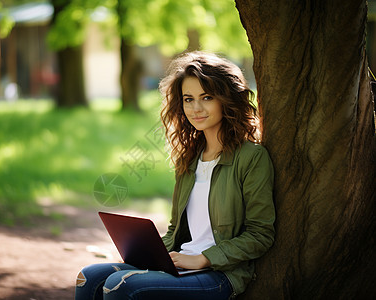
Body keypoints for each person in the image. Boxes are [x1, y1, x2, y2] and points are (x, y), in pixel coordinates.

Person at [75, 51, 275, 300]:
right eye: (188, 99)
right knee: (89, 277)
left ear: (227, 99)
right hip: (181, 263)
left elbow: (260, 234)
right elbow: (175, 229)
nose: (196, 108)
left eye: (207, 97)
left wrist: (203, 259)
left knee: (121, 285)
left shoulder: (251, 158)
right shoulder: (190, 159)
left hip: (221, 274)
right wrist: (150, 256)